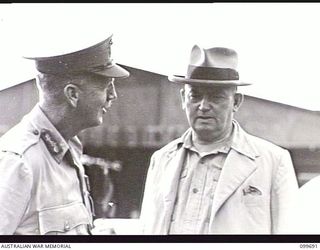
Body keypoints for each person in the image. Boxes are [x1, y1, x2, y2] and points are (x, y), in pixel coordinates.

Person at [139, 45, 298, 234]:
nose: (203, 106)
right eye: (195, 96)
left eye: (216, 97)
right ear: (183, 98)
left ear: (236, 101)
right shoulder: (162, 159)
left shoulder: (273, 161)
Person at [0, 34, 129, 235]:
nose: (113, 95)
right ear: (73, 94)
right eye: (106, 86)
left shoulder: (70, 148)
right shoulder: (19, 161)